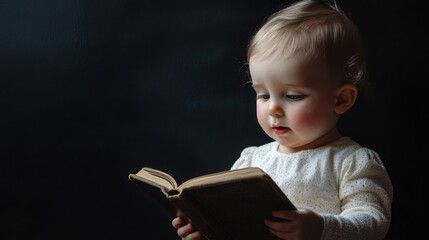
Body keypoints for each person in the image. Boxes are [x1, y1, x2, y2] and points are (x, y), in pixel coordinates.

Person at [172, 0, 393, 239]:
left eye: (293, 96)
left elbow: (373, 224)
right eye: (263, 95)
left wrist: (321, 228)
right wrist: (206, 229)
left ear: (341, 100)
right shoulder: (250, 161)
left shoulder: (352, 162)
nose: (274, 109)